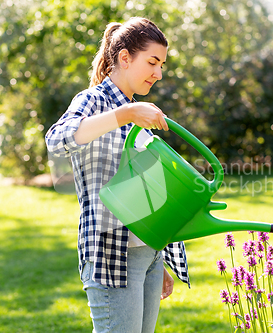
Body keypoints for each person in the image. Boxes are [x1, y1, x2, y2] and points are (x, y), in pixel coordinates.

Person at [45, 17, 190, 333]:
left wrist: (158, 257)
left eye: (162, 64)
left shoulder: (136, 111)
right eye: (152, 62)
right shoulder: (94, 101)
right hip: (114, 256)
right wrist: (126, 114)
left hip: (147, 254)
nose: (159, 73)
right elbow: (57, 139)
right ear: (124, 57)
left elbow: (144, 190)